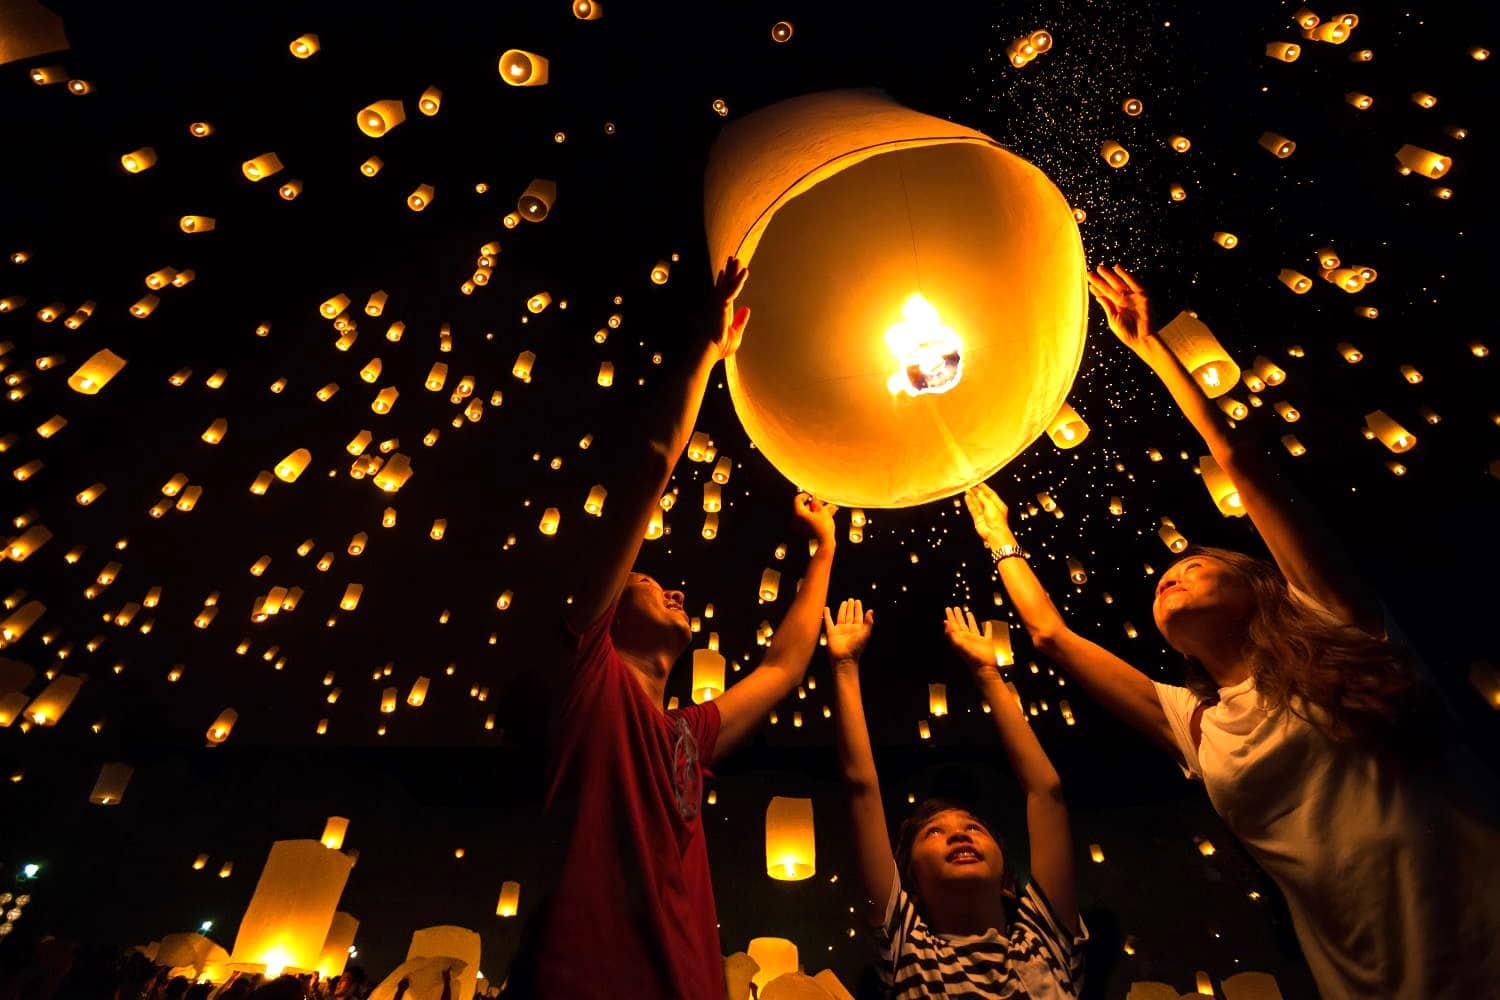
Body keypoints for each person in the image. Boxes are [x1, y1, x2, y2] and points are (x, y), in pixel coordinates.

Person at [958, 263, 1500, 999]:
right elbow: (1051, 636)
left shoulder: (1338, 623)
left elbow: (1241, 465)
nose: (1168, 574)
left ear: (1259, 583)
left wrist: (1153, 349)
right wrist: (999, 538)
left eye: (1194, 562)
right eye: (1162, 581)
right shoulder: (1196, 723)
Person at [504, 257, 840, 999]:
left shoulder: (687, 736)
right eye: (650, 582)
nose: (675, 585)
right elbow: (653, 466)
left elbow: (783, 668)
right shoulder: (587, 679)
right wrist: (705, 355)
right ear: (606, 615)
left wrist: (825, 552)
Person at [824, 598, 1086, 998]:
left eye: (973, 828)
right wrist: (844, 667)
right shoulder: (908, 949)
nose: (958, 835)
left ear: (1007, 881)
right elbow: (863, 789)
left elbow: (1046, 793)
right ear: (910, 882)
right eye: (933, 833)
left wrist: (989, 674)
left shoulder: (1045, 941)